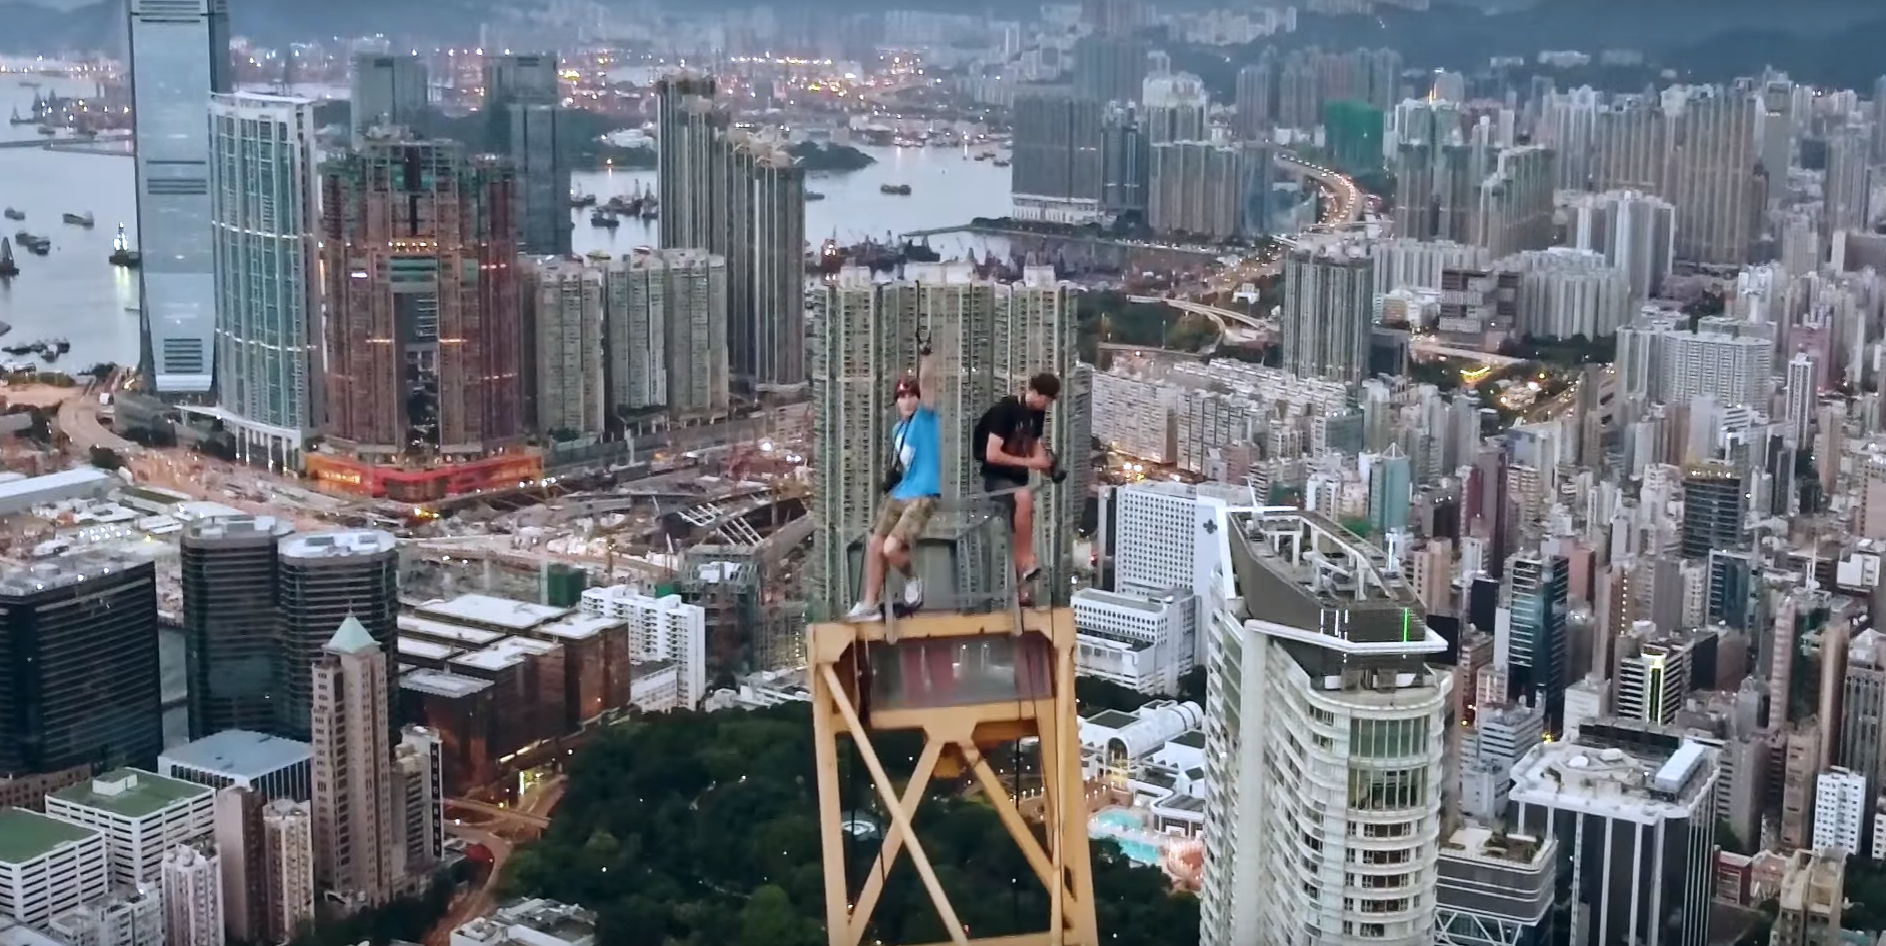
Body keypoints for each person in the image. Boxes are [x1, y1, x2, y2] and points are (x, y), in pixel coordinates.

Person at [846, 332, 942, 622]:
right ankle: (869, 603)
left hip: (923, 493)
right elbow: (906, 462)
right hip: (901, 492)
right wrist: (893, 478)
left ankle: (913, 579)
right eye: (902, 396)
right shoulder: (897, 431)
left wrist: (926, 355)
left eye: (911, 395)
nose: (908, 400)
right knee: (875, 543)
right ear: (896, 402)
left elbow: (927, 384)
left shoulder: (926, 419)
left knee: (891, 548)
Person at [973, 371, 1061, 590]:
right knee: (1024, 496)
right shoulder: (1004, 412)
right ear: (1038, 394)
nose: (1048, 405)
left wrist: (1046, 464)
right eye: (1047, 400)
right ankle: (1027, 562)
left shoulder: (1036, 415)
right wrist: (1031, 463)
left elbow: (1033, 445)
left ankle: (1022, 587)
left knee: (1018, 528)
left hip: (1017, 481)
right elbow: (992, 454)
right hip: (996, 479)